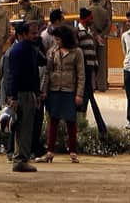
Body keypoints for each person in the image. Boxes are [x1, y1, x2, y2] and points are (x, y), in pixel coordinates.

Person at [5, 19, 42, 174]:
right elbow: (12, 75)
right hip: (22, 94)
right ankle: (21, 160)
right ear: (24, 34)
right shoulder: (19, 51)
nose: (36, 35)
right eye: (33, 33)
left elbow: (35, 72)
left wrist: (37, 94)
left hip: (28, 93)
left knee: (24, 128)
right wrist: (12, 97)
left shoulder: (30, 49)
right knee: (23, 129)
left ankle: (21, 158)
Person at [43, 23, 84, 162]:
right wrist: (44, 91)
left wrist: (79, 94)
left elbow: (81, 74)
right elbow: (47, 72)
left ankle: (73, 151)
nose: (56, 42)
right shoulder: (52, 52)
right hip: (54, 89)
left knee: (71, 122)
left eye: (59, 39)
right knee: (53, 120)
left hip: (69, 90)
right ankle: (50, 151)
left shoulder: (77, 52)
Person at [75, 6, 108, 135]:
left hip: (90, 69)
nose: (92, 20)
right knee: (88, 98)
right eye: (91, 18)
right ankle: (100, 127)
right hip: (85, 70)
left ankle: (82, 123)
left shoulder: (88, 32)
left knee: (88, 99)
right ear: (86, 19)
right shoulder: (79, 32)